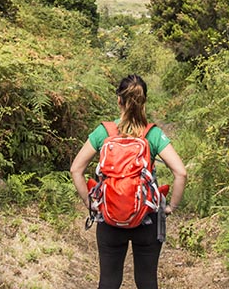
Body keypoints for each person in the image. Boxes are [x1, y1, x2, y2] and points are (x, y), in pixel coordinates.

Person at [70, 74, 187, 289]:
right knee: (147, 282)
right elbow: (180, 173)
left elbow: (76, 169)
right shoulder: (153, 134)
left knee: (109, 281)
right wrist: (170, 207)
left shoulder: (104, 132)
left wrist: (90, 203)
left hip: (109, 219)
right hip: (147, 218)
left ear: (119, 100)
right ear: (144, 101)